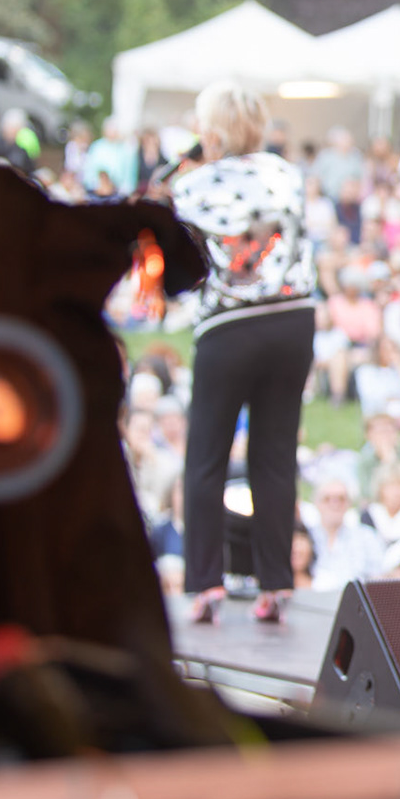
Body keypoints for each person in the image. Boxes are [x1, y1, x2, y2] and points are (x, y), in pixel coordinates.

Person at [170, 83, 318, 625]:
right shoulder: (287, 174)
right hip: (293, 319)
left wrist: (184, 167)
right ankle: (275, 583)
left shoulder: (191, 186)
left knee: (206, 455)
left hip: (228, 326)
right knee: (275, 455)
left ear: (209, 131)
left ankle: (205, 584)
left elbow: (179, 261)